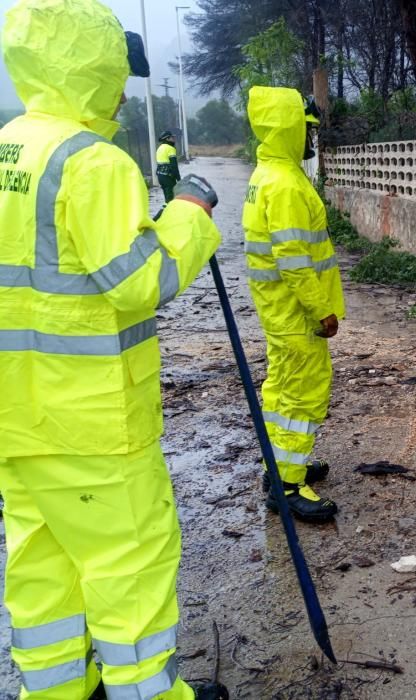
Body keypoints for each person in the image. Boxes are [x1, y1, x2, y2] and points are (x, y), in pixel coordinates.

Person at [0, 1, 228, 698]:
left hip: (18, 418)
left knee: (42, 567)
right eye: (115, 74)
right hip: (92, 422)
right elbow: (139, 281)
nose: (120, 90)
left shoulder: (9, 147)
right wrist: (189, 212)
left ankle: (59, 690)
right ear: (92, 65)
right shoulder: (89, 161)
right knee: (127, 567)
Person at [242, 87, 345, 524]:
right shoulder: (284, 184)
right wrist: (322, 308)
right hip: (297, 311)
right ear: (288, 128)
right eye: (306, 130)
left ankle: (279, 467)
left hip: (279, 310)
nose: (311, 139)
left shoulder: (267, 174)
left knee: (281, 388)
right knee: (303, 393)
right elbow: (296, 262)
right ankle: (286, 486)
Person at [156, 130, 181, 203]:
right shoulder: (170, 148)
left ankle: (166, 212)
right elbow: (174, 165)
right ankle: (161, 214)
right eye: (172, 137)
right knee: (171, 199)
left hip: (160, 177)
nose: (173, 139)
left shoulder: (160, 148)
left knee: (167, 198)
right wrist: (178, 179)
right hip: (168, 178)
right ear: (167, 139)